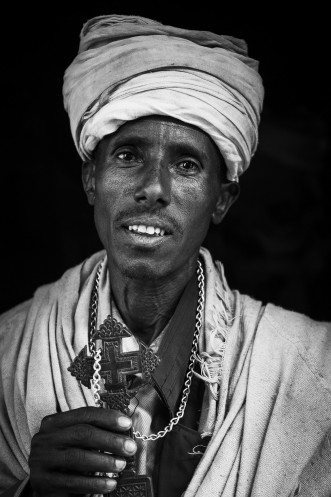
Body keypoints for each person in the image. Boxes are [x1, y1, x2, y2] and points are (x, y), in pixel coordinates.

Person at [0, 14, 330, 497]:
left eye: (187, 164)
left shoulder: (310, 368)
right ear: (91, 179)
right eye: (128, 155)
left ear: (222, 199)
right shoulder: (10, 350)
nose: (154, 188)